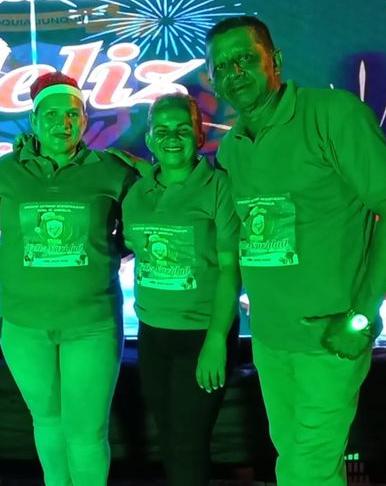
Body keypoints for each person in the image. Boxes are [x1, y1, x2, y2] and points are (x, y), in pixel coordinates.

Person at [205, 16, 386, 486]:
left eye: (245, 59)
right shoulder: (233, 148)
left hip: (330, 338)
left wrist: (360, 318)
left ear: (275, 61)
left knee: (309, 469)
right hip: (270, 340)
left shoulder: (332, 115)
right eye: (222, 66)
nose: (234, 73)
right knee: (295, 461)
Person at [0, 72, 138, 486]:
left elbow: (141, 229)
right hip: (24, 326)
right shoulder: (3, 172)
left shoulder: (112, 171)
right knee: (47, 421)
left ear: (84, 120)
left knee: (86, 433)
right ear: (34, 121)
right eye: (51, 114)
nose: (63, 123)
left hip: (92, 324)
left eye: (72, 114)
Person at [120, 93, 241, 486]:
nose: (172, 137)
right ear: (150, 139)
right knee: (170, 439)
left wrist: (216, 340)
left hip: (202, 334)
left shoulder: (218, 187)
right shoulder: (137, 193)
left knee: (190, 443)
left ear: (199, 135)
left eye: (182, 129)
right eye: (162, 130)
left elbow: (230, 270)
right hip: (153, 334)